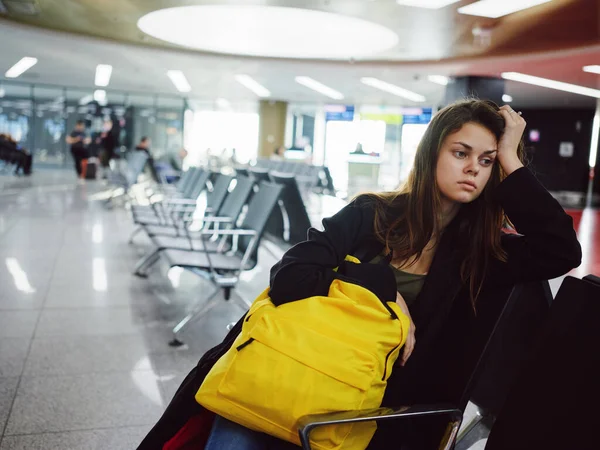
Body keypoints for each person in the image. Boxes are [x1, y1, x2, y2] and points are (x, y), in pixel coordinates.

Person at [137, 100, 581, 450]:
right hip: (294, 365)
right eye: (461, 153)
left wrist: (512, 161)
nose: (473, 169)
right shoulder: (374, 213)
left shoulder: (483, 252)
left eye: (487, 162)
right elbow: (289, 275)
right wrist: (385, 290)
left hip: (364, 407)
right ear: (432, 154)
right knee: (243, 417)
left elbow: (561, 249)